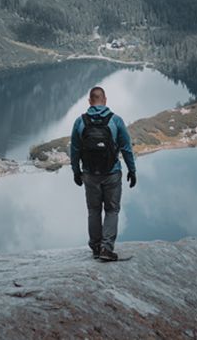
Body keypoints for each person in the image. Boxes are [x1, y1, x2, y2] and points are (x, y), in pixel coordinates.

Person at [70, 86, 137, 261]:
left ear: (90, 101)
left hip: (90, 175)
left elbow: (75, 150)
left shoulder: (80, 122)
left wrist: (76, 172)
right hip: (112, 173)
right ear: (105, 100)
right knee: (112, 210)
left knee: (93, 210)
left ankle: (95, 247)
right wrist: (132, 170)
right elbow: (126, 148)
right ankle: (106, 249)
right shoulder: (116, 120)